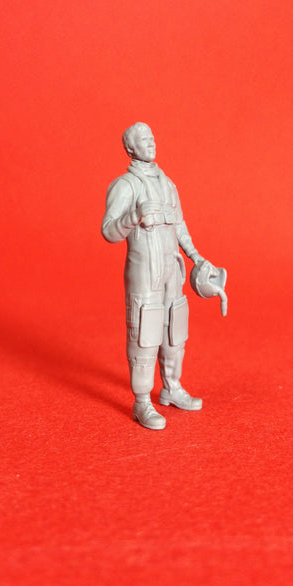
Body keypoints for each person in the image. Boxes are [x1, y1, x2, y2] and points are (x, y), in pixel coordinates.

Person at [101, 122, 226, 430]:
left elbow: (179, 224)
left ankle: (172, 386)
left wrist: (196, 256)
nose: (151, 143)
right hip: (145, 271)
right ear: (130, 148)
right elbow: (109, 231)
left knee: (174, 328)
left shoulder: (168, 184)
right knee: (145, 331)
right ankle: (142, 401)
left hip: (172, 268)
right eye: (144, 139)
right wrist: (134, 215)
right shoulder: (125, 186)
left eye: (152, 137)